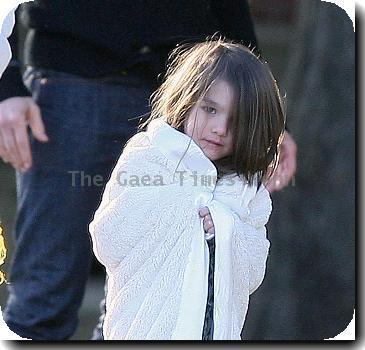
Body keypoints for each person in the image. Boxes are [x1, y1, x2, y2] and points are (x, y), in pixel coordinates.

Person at [0, 1, 296, 340]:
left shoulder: (222, 142)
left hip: (186, 83)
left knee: (132, 305)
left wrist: (266, 120)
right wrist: (5, 84)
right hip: (71, 80)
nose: (222, 127)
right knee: (44, 290)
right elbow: (109, 238)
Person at [89, 38, 285, 340]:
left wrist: (222, 227)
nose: (220, 128)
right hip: (145, 329)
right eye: (210, 109)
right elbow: (108, 239)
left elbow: (253, 270)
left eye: (236, 120)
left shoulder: (247, 189)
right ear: (186, 99)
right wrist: (186, 210)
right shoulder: (150, 155)